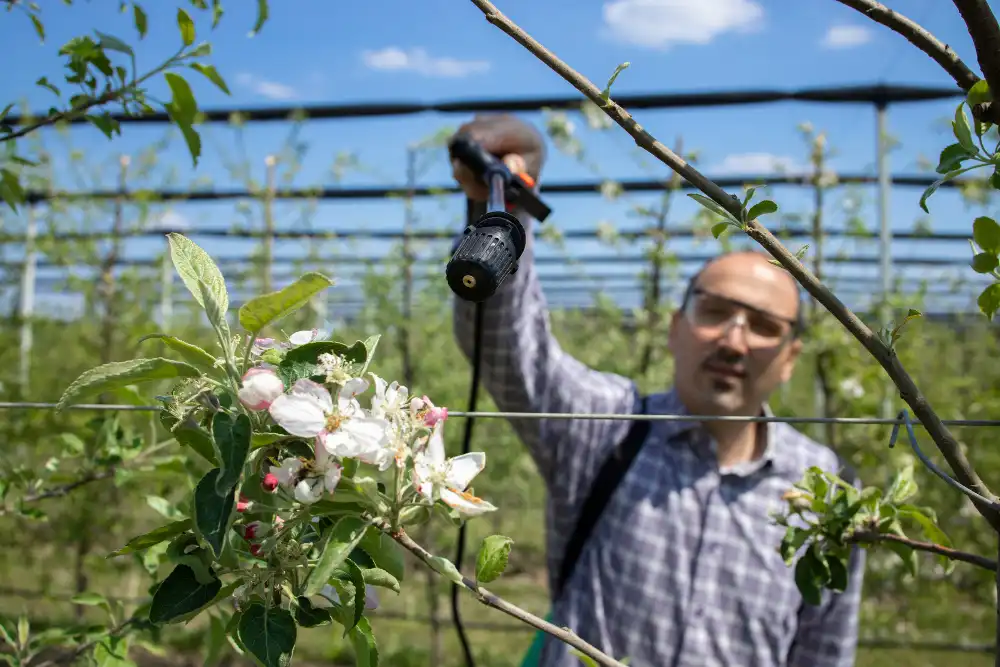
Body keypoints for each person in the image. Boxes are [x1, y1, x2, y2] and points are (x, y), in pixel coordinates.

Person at [449, 114, 865, 667]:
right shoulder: (610, 430)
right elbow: (510, 353)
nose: (735, 342)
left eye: (764, 325)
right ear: (675, 329)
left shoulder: (828, 493)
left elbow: (823, 654)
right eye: (714, 313)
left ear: (790, 358)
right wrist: (503, 206)